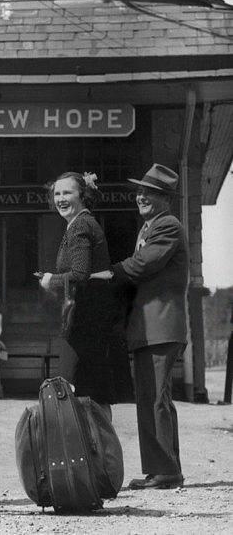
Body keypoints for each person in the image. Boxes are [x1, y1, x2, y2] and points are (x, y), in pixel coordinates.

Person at [92, 163, 188, 490]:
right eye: (140, 191)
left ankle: (166, 471)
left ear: (166, 198)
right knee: (149, 397)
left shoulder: (168, 226)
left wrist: (111, 273)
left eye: (150, 192)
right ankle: (160, 469)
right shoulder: (149, 227)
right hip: (148, 328)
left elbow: (145, 264)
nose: (141, 197)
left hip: (161, 326)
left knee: (155, 399)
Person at [37, 171, 133, 418]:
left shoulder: (80, 225)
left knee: (75, 385)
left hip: (87, 316)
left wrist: (51, 280)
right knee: (93, 388)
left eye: (67, 192)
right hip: (92, 314)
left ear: (83, 194)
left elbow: (79, 273)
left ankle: (88, 449)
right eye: (57, 193)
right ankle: (99, 450)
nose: (60, 198)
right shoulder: (81, 223)